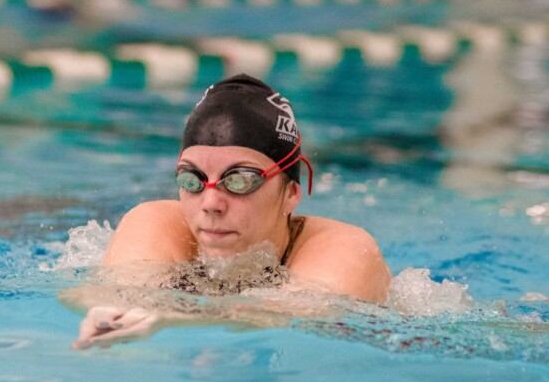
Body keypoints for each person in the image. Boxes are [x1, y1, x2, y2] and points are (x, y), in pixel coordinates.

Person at [73, 74, 390, 348]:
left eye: (239, 181)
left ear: (292, 193)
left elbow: (291, 316)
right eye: (192, 180)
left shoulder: (346, 248)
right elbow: (110, 293)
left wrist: (168, 314)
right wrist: (114, 310)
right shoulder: (156, 222)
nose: (210, 203)